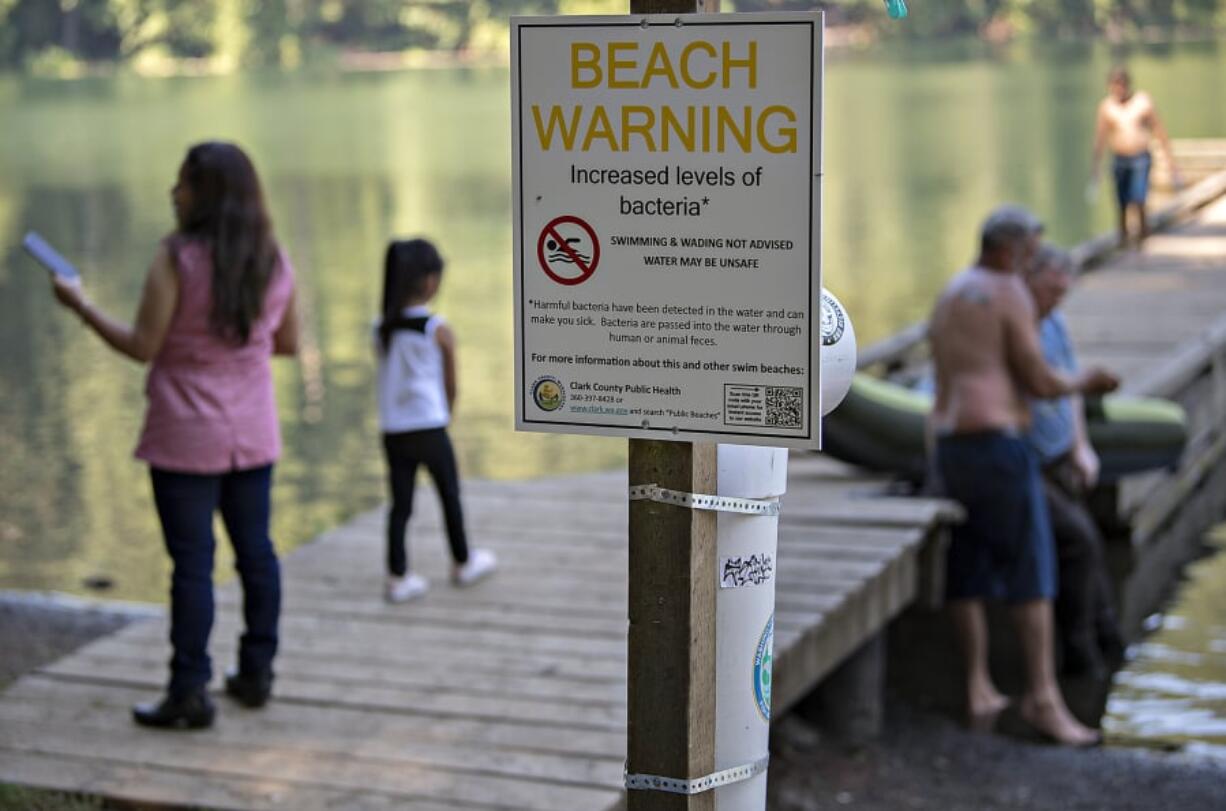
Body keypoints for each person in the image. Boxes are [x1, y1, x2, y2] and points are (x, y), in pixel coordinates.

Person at [49, 142, 298, 729]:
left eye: (183, 183)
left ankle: (190, 691)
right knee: (256, 555)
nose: (174, 192)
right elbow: (286, 344)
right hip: (252, 432)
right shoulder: (274, 257)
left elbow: (142, 346)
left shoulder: (177, 257)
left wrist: (81, 305)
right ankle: (257, 673)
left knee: (192, 566)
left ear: (206, 194)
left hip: (186, 434)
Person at [928, 204, 1118, 746]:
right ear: (1011, 250)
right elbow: (1037, 379)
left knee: (967, 567)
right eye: (1032, 250)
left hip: (950, 449)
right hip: (996, 448)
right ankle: (1043, 699)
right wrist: (1086, 381)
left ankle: (978, 687)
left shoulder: (953, 291)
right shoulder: (1008, 291)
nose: (1033, 261)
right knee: (1033, 575)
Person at [375, 238, 496, 604]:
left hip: (393, 430)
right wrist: (448, 413)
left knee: (401, 505)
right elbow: (451, 383)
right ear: (430, 282)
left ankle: (397, 576)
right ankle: (462, 561)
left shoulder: (380, 327)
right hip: (429, 425)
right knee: (449, 495)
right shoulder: (437, 329)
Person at [1022, 245, 1125, 677]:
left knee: (1091, 543)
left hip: (1059, 457)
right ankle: (1078, 652)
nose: (1056, 301)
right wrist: (1087, 380)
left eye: (1063, 293)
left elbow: (1070, 392)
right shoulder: (1014, 324)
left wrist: (1080, 445)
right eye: (1051, 292)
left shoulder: (1055, 322)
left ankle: (1109, 642)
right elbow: (1048, 384)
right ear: (1029, 280)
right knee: (1079, 540)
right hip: (1025, 462)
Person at [1090, 65, 1180, 247]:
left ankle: (1142, 239)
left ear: (1127, 84)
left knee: (1139, 198)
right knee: (1122, 202)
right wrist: (1095, 167)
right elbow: (1100, 138)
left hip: (1140, 158)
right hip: (1120, 159)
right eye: (1114, 85)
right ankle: (1123, 241)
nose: (1118, 89)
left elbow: (1158, 130)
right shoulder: (1107, 107)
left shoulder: (1142, 102)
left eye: (1121, 85)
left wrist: (1170, 161)